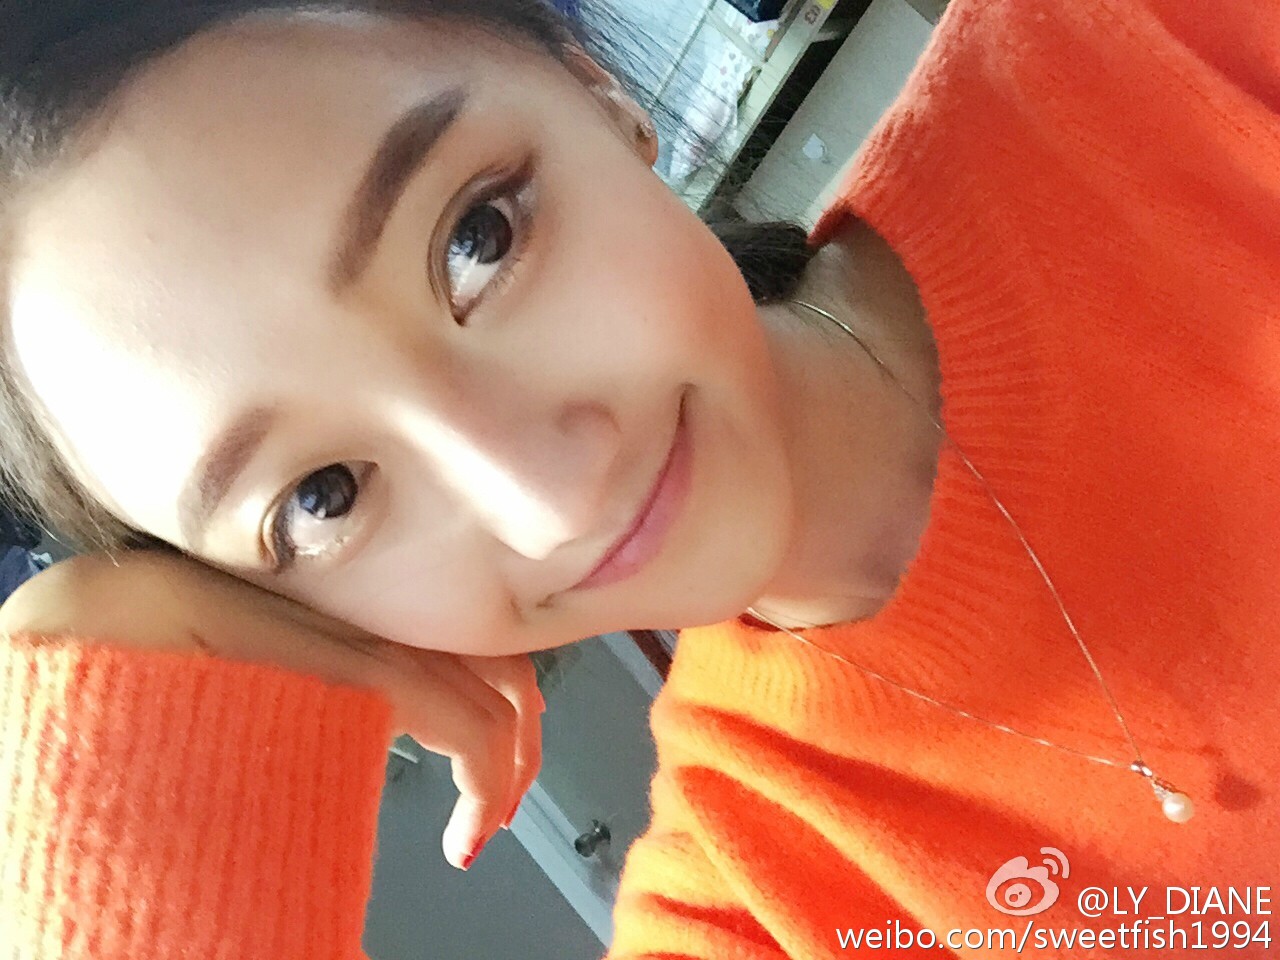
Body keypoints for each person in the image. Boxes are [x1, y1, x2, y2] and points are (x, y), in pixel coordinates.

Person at [0, 0, 1276, 957]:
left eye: (477, 239)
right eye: (323, 496)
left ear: (592, 86)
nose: (546, 495)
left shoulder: (1166, 53)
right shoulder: (760, 898)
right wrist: (98, 727)